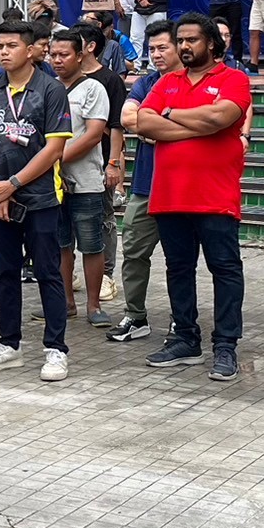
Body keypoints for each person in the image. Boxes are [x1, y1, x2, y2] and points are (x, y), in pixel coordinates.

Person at [135, 13, 252, 382]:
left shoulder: (234, 79)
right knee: (178, 269)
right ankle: (186, 339)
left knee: (225, 270)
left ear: (211, 44)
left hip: (215, 196)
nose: (184, 46)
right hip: (169, 196)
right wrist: (198, 125)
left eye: (192, 40)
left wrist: (171, 115)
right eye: (180, 40)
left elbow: (221, 117)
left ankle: (226, 345)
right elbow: (143, 122)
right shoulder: (167, 81)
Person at [0, 19, 74, 382]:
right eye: (0, 46)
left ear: (31, 50)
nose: (3, 52)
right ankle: (8, 345)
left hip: (40, 197)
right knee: (5, 272)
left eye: (11, 45)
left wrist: (11, 184)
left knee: (47, 272)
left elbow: (54, 149)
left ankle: (56, 349)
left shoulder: (50, 89)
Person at [107, 19, 181, 343]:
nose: (156, 54)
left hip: (181, 187)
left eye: (163, 47)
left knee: (180, 259)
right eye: (151, 49)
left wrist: (154, 128)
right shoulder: (146, 82)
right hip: (145, 186)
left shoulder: (191, 82)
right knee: (134, 252)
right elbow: (127, 117)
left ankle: (182, 319)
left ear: (179, 47)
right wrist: (168, 128)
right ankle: (135, 316)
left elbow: (200, 124)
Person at [50, 30, 110, 329]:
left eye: (64, 55)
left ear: (79, 55)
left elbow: (93, 134)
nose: (57, 60)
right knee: (61, 244)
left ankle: (94, 305)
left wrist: (54, 161)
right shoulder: (47, 88)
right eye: (53, 55)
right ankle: (66, 303)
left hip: (85, 181)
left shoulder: (93, 88)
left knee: (91, 244)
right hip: (51, 184)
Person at [72, 22, 128, 303]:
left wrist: (113, 163)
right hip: (66, 164)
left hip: (100, 160)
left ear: (90, 46)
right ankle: (69, 272)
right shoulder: (62, 78)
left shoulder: (110, 79)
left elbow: (117, 126)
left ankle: (106, 274)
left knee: (104, 218)